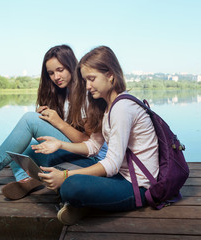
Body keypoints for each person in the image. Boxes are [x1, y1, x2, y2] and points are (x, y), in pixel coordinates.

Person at [0, 45, 106, 199]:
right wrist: (47, 121)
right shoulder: (64, 95)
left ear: (72, 66)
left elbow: (90, 145)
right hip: (71, 156)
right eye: (51, 73)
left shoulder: (87, 95)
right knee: (18, 152)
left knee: (29, 120)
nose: (56, 77)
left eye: (60, 70)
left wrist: (57, 123)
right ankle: (26, 180)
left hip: (91, 162)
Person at [31, 46, 159, 225]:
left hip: (137, 186)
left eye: (91, 79)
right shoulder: (106, 106)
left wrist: (66, 176)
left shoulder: (122, 108)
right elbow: (93, 146)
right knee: (53, 158)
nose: (87, 86)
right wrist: (60, 144)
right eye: (85, 80)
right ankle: (86, 204)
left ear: (110, 75)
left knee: (70, 186)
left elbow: (112, 164)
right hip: (118, 176)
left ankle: (83, 203)